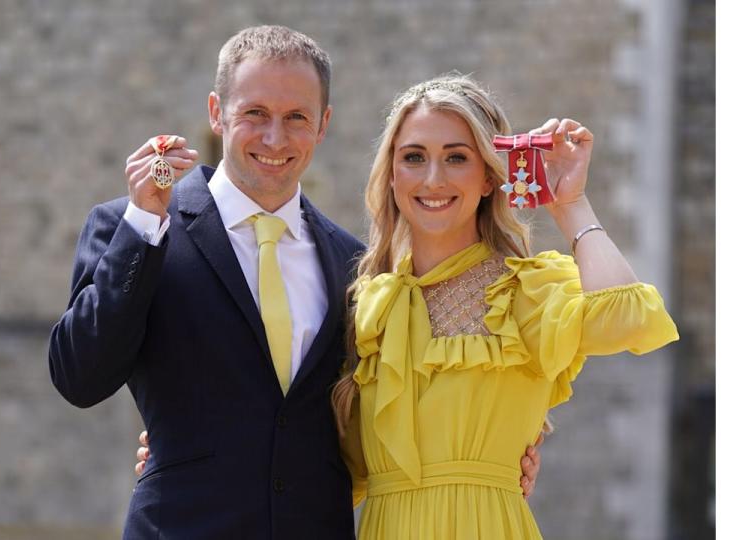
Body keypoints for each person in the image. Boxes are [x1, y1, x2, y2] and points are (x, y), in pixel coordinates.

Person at [49, 27, 542, 539]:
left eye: (296, 118)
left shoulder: (357, 265)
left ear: (323, 124)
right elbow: (80, 377)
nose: (275, 139)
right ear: (217, 113)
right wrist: (144, 224)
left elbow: (395, 401)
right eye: (255, 114)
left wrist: (507, 454)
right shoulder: (135, 228)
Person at [324, 74, 680, 539]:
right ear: (392, 174)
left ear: (491, 176)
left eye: (456, 158)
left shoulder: (525, 291)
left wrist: (570, 204)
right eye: (414, 157)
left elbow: (631, 319)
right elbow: (333, 474)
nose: (434, 179)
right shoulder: (366, 306)